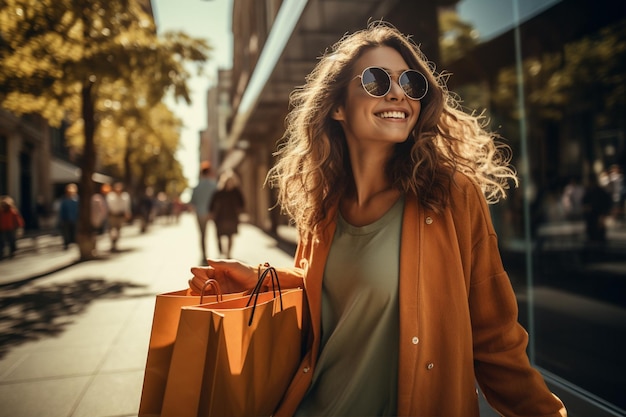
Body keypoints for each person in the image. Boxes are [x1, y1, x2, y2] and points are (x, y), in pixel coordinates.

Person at [189, 22, 566, 416]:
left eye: (410, 82)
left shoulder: (451, 195)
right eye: (375, 80)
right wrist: (262, 279)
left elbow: (495, 337)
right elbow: (333, 297)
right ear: (337, 107)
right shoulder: (324, 206)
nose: (398, 92)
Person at [209, 170, 245, 258]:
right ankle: (221, 252)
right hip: (220, 217)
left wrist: (240, 212)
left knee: (230, 236)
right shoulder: (219, 192)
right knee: (219, 235)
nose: (230, 183)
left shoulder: (236, 192)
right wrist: (211, 214)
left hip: (232, 217)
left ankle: (228, 253)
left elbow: (242, 203)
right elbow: (212, 204)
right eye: (228, 181)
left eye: (231, 181)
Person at [189, 161, 217, 263]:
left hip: (200, 214)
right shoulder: (214, 186)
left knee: (202, 235)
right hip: (212, 213)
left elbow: (192, 202)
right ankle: (220, 252)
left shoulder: (196, 187)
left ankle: (204, 254)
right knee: (216, 232)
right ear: (209, 172)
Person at [106, 181, 132, 252]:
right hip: (112, 215)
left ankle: (115, 243)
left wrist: (127, 213)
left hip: (120, 215)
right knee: (111, 230)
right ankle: (112, 243)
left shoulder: (125, 196)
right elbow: (108, 206)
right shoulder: (111, 196)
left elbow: (127, 206)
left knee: (118, 230)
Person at [0, 195, 25, 260]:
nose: (4, 205)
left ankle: (12, 251)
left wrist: (20, 227)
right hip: (3, 229)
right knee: (2, 241)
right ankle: (2, 253)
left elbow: (18, 220)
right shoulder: (1, 212)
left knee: (11, 240)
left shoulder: (12, 211)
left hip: (11, 229)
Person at [58, 183, 79, 250]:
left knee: (74, 232)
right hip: (66, 219)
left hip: (75, 219)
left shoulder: (76, 199)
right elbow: (62, 210)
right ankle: (67, 243)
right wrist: (61, 219)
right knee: (66, 232)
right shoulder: (64, 200)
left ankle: (74, 242)